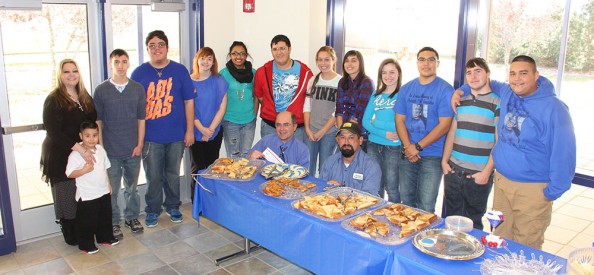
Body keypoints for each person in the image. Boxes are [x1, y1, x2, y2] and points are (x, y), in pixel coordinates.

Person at [453, 55, 576, 249]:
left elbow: (564, 154)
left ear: (537, 76)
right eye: (512, 73)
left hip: (532, 189)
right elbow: (483, 81)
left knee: (525, 246)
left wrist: (551, 192)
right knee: (499, 238)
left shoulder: (554, 109)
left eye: (523, 73)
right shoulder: (508, 92)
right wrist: (460, 90)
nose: (517, 79)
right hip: (502, 185)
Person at [130, 30, 195, 227]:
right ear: (147, 49)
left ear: (167, 47)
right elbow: (134, 107)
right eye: (152, 45)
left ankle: (173, 206)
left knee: (173, 174)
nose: (156, 48)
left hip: (176, 135)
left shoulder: (180, 70)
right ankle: (152, 210)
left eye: (160, 44)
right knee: (153, 176)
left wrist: (190, 130)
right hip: (150, 137)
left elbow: (189, 102)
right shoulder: (139, 73)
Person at [41, 59, 97, 246]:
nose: (71, 74)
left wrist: (93, 146)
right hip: (60, 154)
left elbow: (93, 122)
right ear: (60, 75)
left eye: (75, 71)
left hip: (81, 153)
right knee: (66, 195)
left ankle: (83, 229)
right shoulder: (54, 99)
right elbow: (54, 131)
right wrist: (80, 148)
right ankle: (70, 232)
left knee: (81, 192)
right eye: (66, 72)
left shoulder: (84, 96)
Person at [441, 58, 500, 230]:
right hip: (453, 171)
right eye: (469, 73)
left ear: (488, 74)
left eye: (478, 71)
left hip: (478, 175)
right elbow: (452, 132)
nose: (473, 76)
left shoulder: (497, 103)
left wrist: (486, 172)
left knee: (473, 224)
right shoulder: (460, 101)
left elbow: (499, 141)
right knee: (450, 221)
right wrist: (445, 162)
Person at [393, 47, 454, 213]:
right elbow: (399, 119)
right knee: (406, 202)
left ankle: (423, 239)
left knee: (426, 205)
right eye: (422, 59)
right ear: (417, 62)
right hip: (408, 153)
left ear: (438, 63)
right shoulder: (406, 89)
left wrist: (417, 147)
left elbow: (445, 125)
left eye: (431, 59)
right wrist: (408, 147)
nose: (426, 63)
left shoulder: (446, 90)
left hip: (432, 156)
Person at [93, 49, 146, 239]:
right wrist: (101, 148)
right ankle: (114, 222)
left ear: (128, 64)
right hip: (111, 151)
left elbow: (141, 119)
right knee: (112, 190)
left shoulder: (137, 89)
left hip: (133, 149)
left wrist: (140, 144)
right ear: (111, 64)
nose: (121, 66)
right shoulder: (101, 90)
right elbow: (98, 122)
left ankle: (132, 217)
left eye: (124, 61)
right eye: (117, 62)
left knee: (132, 188)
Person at [65, 121, 119, 254]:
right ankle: (86, 244)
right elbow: (69, 173)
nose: (91, 139)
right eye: (87, 135)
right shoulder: (76, 155)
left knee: (105, 217)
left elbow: (104, 168)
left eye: (95, 135)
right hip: (87, 194)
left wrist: (109, 184)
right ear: (80, 136)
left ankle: (105, 237)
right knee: (87, 221)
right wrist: (83, 170)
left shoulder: (100, 150)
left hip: (103, 191)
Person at [253, 34, 313, 143]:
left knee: (294, 160)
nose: (279, 52)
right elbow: (260, 96)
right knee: (270, 159)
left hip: (297, 129)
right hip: (270, 127)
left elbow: (309, 101)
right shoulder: (262, 72)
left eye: (282, 48)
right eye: (275, 49)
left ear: (289, 49)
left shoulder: (306, 73)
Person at [189, 47, 228, 201]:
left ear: (213, 62)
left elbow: (222, 108)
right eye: (203, 58)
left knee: (212, 168)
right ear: (197, 60)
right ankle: (197, 203)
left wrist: (210, 130)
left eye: (209, 59)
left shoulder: (219, 80)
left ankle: (210, 203)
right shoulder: (188, 81)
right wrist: (201, 130)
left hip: (215, 132)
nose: (206, 62)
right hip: (195, 131)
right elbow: (189, 109)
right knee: (198, 168)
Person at [362, 58, 402, 202]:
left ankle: (395, 218)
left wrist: (376, 122)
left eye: (392, 72)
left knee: (392, 187)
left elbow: (400, 124)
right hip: (373, 144)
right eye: (384, 72)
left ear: (398, 74)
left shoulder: (402, 95)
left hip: (394, 147)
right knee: (375, 184)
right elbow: (365, 121)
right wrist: (383, 131)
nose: (388, 76)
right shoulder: (375, 94)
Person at [303, 46, 340, 175]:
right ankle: (308, 194)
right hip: (311, 131)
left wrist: (323, 131)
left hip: (329, 133)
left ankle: (323, 195)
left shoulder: (340, 82)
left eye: (326, 60)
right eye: (320, 60)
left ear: (333, 60)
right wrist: (307, 128)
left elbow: (337, 111)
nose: (323, 63)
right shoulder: (313, 80)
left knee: (325, 169)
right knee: (308, 168)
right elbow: (307, 106)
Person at [320, 122, 381, 196]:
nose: (346, 142)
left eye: (351, 137)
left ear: (360, 140)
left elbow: (369, 199)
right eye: (342, 137)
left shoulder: (371, 166)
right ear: (337, 140)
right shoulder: (329, 162)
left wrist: (342, 190)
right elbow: (321, 191)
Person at [220, 41, 257, 158]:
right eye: (235, 53)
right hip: (230, 121)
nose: (238, 57)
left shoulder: (253, 73)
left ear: (246, 56)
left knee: (246, 157)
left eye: (242, 54)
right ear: (230, 55)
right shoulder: (223, 74)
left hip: (249, 121)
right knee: (233, 157)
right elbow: (219, 99)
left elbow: (256, 96)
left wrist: (254, 114)